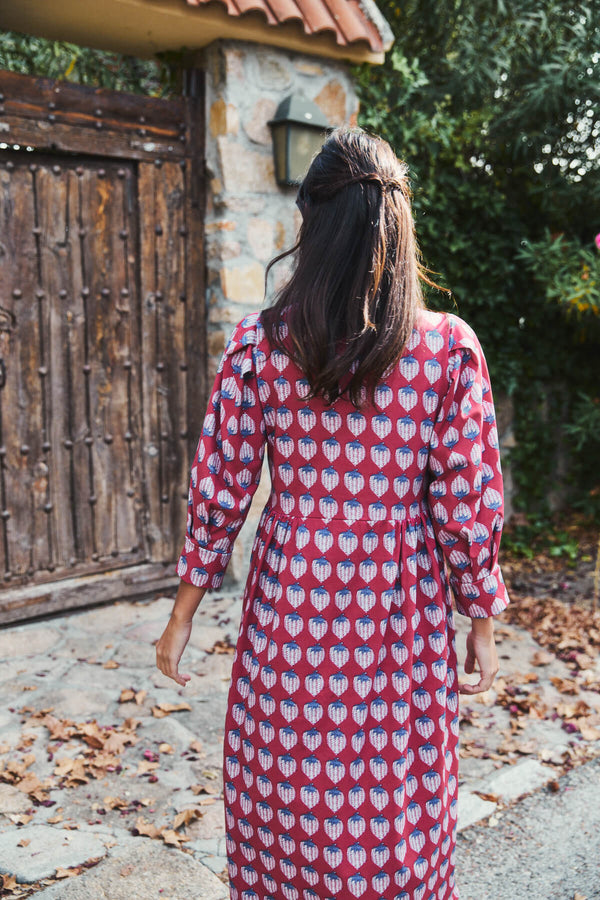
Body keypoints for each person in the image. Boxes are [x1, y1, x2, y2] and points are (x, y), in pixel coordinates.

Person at [156, 127, 509, 900]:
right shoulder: (447, 351)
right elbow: (467, 502)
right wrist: (479, 618)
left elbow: (221, 486)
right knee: (395, 807)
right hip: (400, 620)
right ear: (398, 226)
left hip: (292, 617)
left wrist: (182, 612)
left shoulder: (261, 345)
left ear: (311, 224)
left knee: (287, 793)